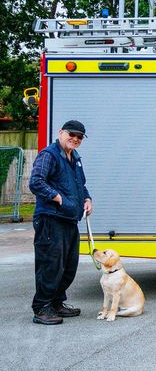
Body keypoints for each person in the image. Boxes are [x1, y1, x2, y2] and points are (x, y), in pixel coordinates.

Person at [28, 120, 93, 325]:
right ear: (61, 133)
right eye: (71, 134)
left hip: (69, 219)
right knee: (51, 264)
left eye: (79, 137)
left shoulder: (75, 157)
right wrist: (59, 198)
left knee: (68, 265)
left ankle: (56, 302)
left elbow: (80, 184)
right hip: (51, 219)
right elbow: (36, 182)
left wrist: (87, 199)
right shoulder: (49, 155)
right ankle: (41, 308)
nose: (75, 139)